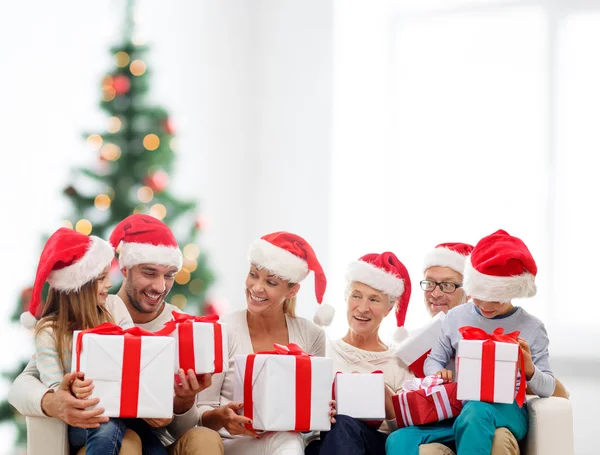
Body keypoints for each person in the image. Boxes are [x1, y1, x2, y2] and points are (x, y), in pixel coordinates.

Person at [9, 214, 223, 455]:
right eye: (150, 273)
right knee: (124, 440)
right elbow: (22, 386)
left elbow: (178, 427)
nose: (161, 287)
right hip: (97, 427)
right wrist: (56, 399)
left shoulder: (181, 329)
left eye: (170, 275)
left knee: (188, 439)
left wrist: (179, 404)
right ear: (125, 268)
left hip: (143, 427)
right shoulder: (61, 327)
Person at [387, 230, 555, 455]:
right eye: (478, 295)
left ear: (513, 291)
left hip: (508, 412)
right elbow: (433, 361)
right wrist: (438, 373)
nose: (485, 305)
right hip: (458, 411)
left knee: (476, 411)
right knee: (398, 439)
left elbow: (548, 389)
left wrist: (530, 369)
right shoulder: (456, 317)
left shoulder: (532, 327)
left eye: (495, 298)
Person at [196, 231, 335, 455]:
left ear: (292, 290)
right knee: (287, 441)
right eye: (253, 275)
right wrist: (222, 417)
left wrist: (321, 412)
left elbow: (313, 425)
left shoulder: (311, 334)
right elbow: (202, 410)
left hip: (290, 443)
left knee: (288, 439)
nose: (256, 288)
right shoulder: (223, 330)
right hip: (232, 443)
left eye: (270, 282)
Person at [305, 252, 414, 455]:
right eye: (356, 296)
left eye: (374, 300)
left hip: (373, 445)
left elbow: (406, 434)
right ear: (346, 298)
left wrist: (384, 395)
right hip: (323, 443)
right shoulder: (321, 350)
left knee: (343, 424)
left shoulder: (399, 363)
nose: (362, 308)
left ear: (389, 308)